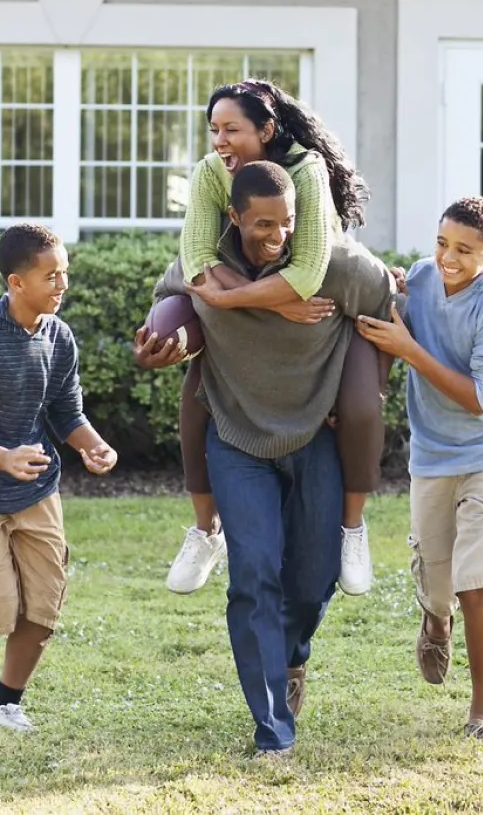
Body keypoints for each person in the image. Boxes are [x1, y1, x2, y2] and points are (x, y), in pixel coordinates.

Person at [135, 161, 394, 756]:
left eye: (287, 224)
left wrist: (362, 394)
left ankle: (291, 656)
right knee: (254, 575)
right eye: (261, 226)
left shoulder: (335, 263)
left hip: (316, 437)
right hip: (236, 437)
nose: (276, 236)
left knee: (310, 579)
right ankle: (273, 728)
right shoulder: (200, 267)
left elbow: (387, 310)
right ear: (233, 217)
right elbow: (169, 314)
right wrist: (158, 347)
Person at [164, 79, 385, 598]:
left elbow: (308, 275)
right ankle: (204, 531)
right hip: (254, 292)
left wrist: (226, 297)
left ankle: (353, 529)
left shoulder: (305, 171)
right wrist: (232, 297)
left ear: (266, 130)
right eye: (213, 129)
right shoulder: (211, 172)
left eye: (232, 129)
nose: (219, 140)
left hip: (339, 287)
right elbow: (198, 260)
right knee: (197, 400)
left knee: (360, 410)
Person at [0, 223, 118, 732]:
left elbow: (65, 411)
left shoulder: (59, 336)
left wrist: (91, 445)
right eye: (51, 277)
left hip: (35, 489)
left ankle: (4, 705)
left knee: (44, 603)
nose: (62, 286)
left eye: (65, 274)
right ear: (16, 283)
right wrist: (2, 458)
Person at [354, 196, 483, 741]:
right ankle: (436, 619)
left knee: (478, 581)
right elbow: (384, 306)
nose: (448, 258)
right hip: (434, 454)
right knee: (438, 581)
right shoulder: (426, 279)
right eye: (441, 244)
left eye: (464, 251)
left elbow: (480, 397)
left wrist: (408, 349)